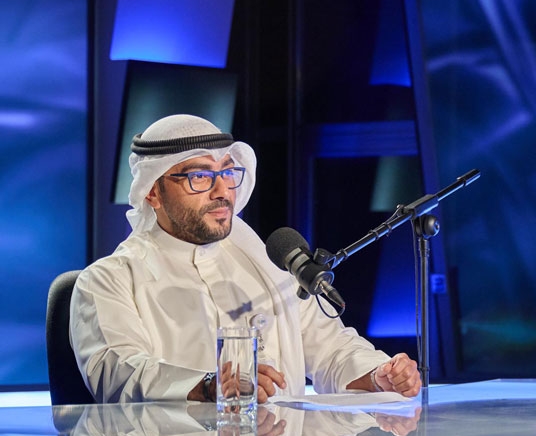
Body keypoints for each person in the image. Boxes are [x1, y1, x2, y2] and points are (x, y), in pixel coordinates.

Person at [70, 113, 421, 409]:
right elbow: (118, 372)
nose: (222, 190)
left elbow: (330, 348)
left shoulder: (264, 261)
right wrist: (209, 386)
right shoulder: (110, 280)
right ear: (152, 191)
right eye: (200, 177)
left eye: (227, 173)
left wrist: (377, 375)